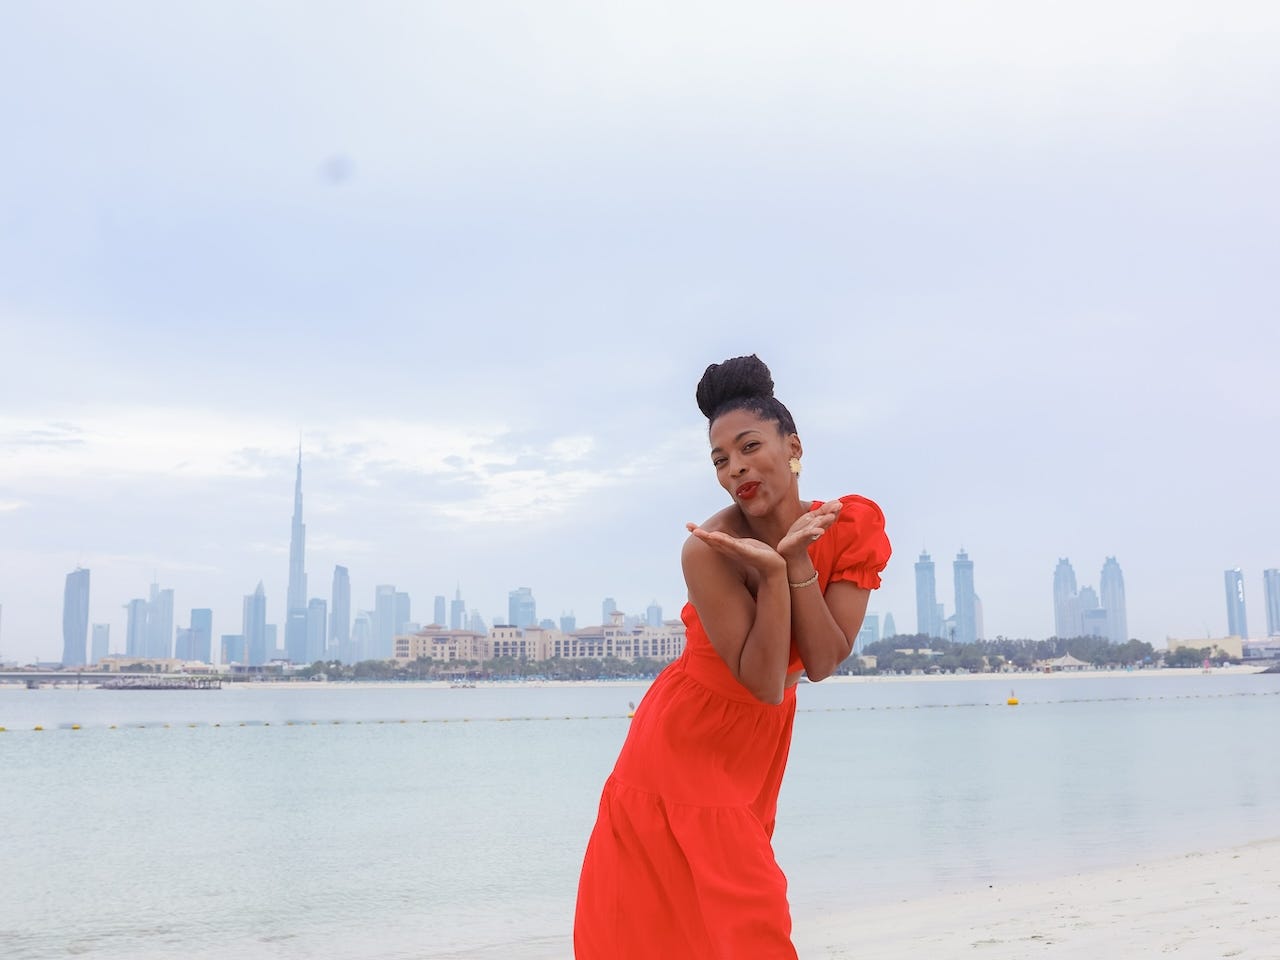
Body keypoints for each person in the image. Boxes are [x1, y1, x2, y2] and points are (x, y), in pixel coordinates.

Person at [574, 354, 891, 959]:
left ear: (792, 446)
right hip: (684, 739)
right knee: (734, 916)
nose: (735, 468)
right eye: (720, 459)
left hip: (756, 744)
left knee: (710, 925)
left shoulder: (846, 527)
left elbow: (822, 662)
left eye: (749, 447)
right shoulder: (709, 552)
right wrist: (771, 576)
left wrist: (796, 564)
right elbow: (764, 682)